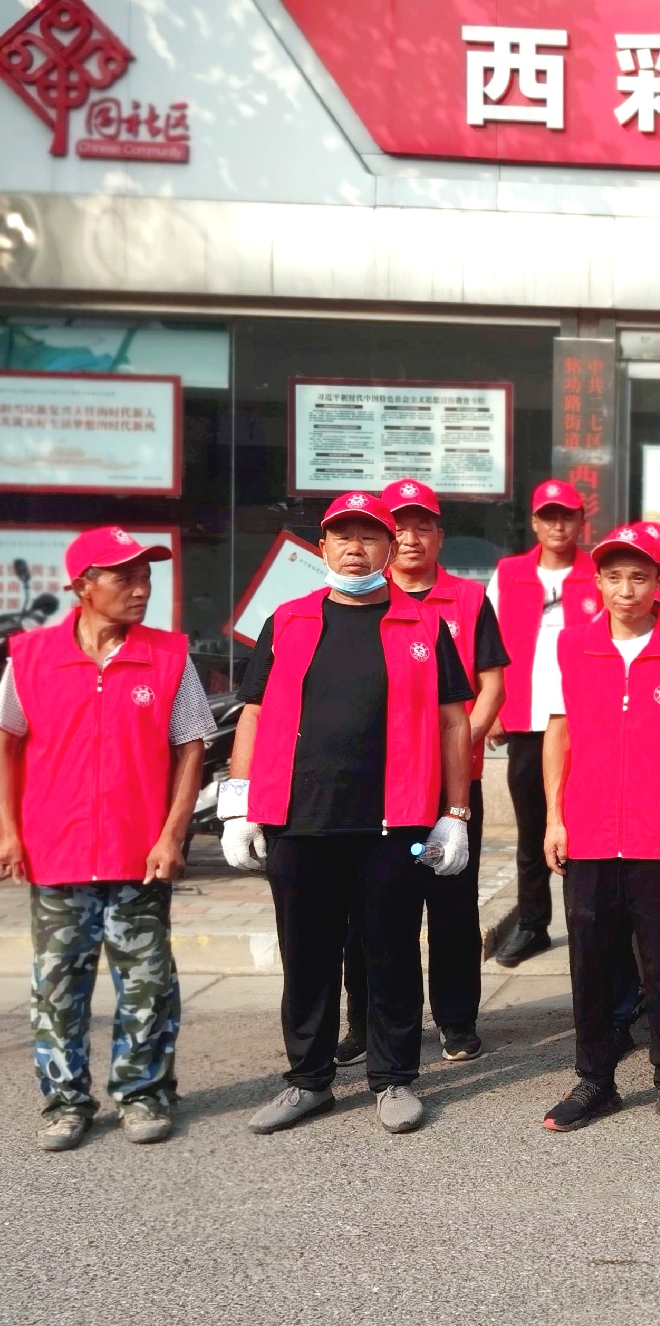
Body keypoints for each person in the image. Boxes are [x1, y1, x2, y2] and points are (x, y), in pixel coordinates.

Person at [223, 492, 474, 1136]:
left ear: (389, 549)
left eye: (368, 537)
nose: (355, 548)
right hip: (299, 818)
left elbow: (454, 721)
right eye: (342, 536)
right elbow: (253, 713)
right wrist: (238, 802)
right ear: (323, 548)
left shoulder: (425, 626)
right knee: (306, 956)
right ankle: (308, 1081)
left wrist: (455, 812)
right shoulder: (288, 621)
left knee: (391, 952)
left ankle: (393, 1078)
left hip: (395, 821)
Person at [0, 526, 209, 1151]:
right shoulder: (30, 658)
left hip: (138, 855)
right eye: (125, 577)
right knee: (57, 989)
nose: (141, 589)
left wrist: (172, 837)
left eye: (146, 577)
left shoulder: (169, 657)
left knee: (147, 987)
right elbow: (6, 745)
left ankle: (143, 1095)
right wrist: (8, 831)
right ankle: (65, 1104)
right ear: (82, 586)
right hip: (56, 855)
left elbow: (190, 749)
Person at [538, 524, 660, 1135]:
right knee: (590, 959)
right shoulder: (568, 644)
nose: (626, 589)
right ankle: (595, 1079)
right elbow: (557, 733)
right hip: (586, 830)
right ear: (598, 582)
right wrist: (554, 818)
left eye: (639, 577)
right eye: (613, 577)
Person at [337, 479, 509, 1068]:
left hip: (452, 786)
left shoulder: (468, 599)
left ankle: (457, 1021)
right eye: (399, 528)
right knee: (368, 909)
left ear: (439, 536)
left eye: (422, 527)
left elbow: (491, 687)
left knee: (452, 904)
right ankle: (364, 1023)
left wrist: (456, 751)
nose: (410, 538)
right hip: (379, 785)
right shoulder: (362, 598)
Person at [486, 479, 598, 969]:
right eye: (548, 515)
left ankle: (586, 924)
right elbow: (487, 645)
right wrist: (491, 708)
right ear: (534, 522)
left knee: (583, 827)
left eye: (567, 515)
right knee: (533, 829)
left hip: (586, 721)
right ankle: (533, 923)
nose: (558, 524)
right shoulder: (509, 573)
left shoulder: (598, 573)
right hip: (527, 720)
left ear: (580, 522)